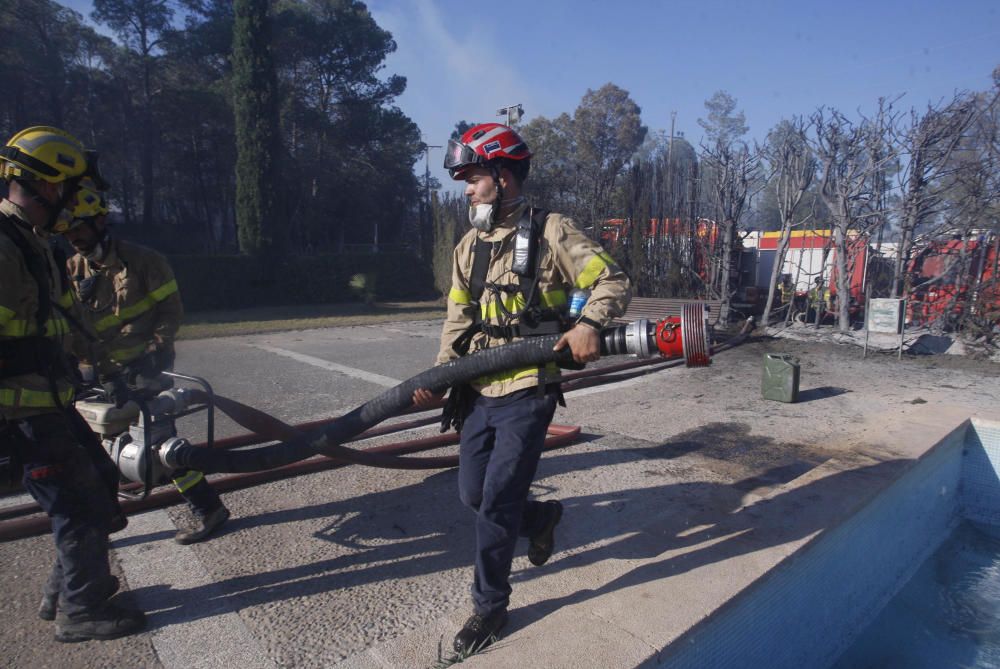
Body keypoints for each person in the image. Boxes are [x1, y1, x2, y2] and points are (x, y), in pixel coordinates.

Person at [413, 123, 630, 654]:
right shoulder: (469, 246)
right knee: (471, 493)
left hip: (530, 387)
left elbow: (611, 279)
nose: (466, 188)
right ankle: (543, 517)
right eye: (463, 179)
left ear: (503, 177)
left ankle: (489, 608)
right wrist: (441, 374)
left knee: (497, 500)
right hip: (477, 390)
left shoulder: (553, 231)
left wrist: (589, 324)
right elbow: (457, 316)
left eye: (473, 178)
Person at [0, 126, 146, 642]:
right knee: (77, 506)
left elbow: (66, 321)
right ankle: (81, 612)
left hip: (48, 401)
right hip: (17, 413)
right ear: (45, 185)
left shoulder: (32, 244)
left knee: (100, 488)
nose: (71, 206)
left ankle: (65, 592)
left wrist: (114, 368)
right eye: (67, 190)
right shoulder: (3, 244)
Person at [62, 184, 230, 545]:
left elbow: (171, 311)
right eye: (69, 230)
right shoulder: (72, 269)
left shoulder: (144, 262)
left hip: (144, 368)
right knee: (98, 446)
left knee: (158, 448)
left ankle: (208, 508)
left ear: (101, 221)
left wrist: (155, 351)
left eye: (79, 227)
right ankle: (106, 517)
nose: (74, 236)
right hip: (99, 372)